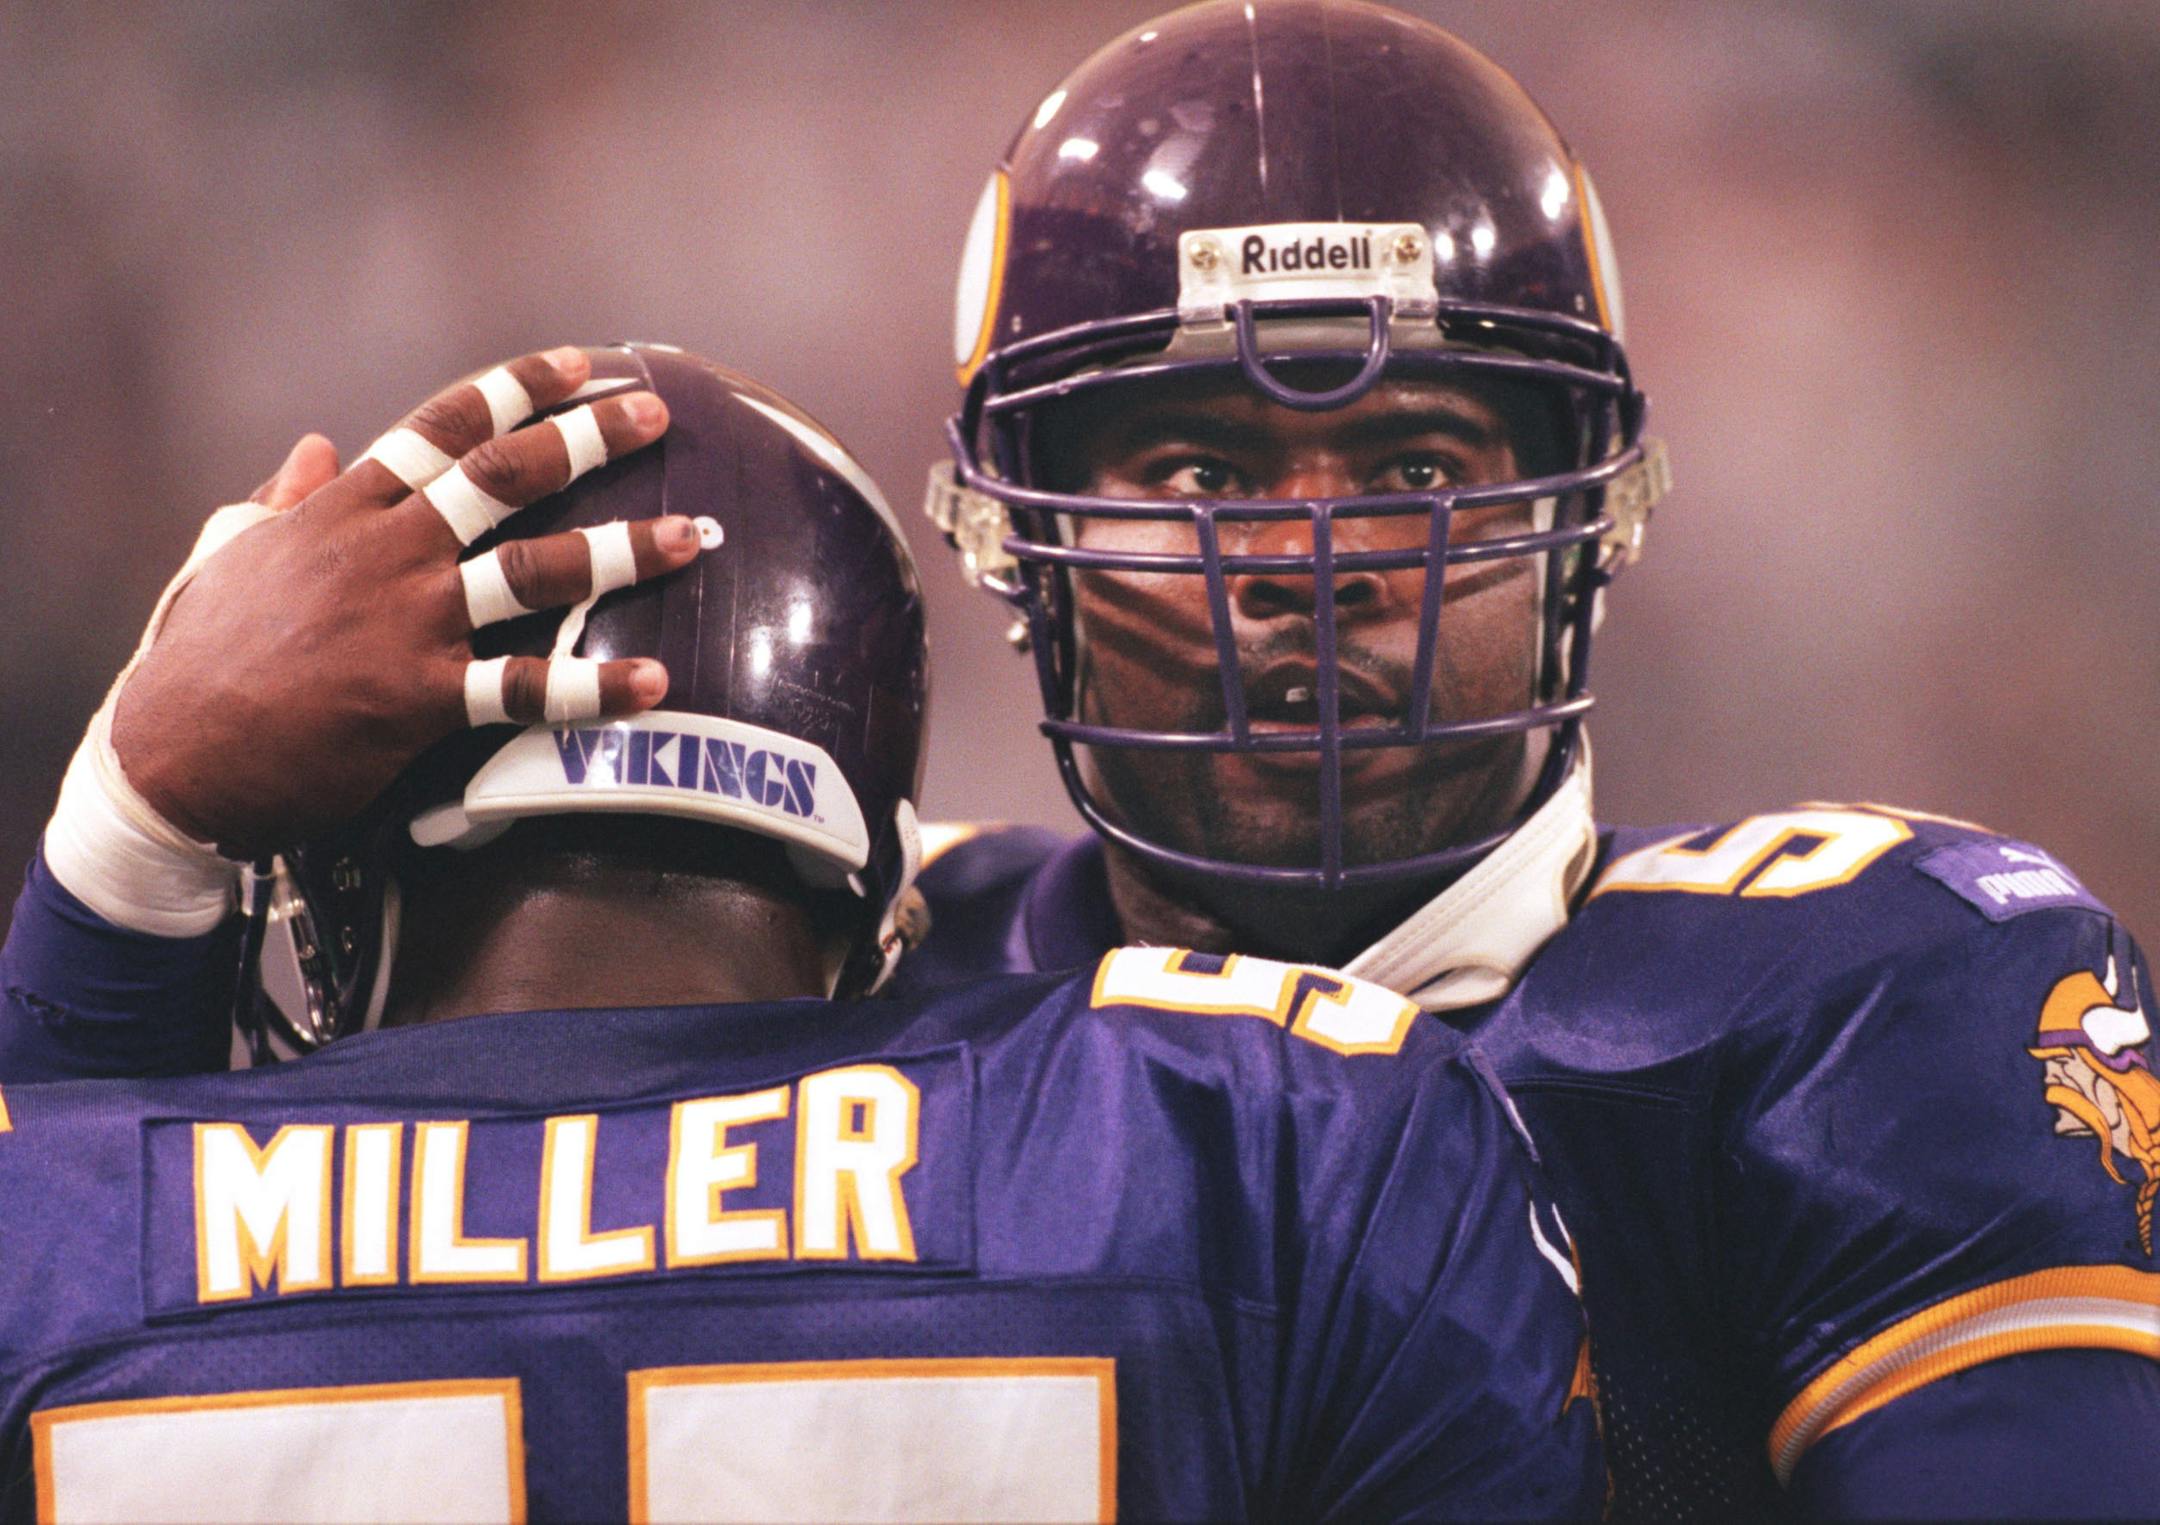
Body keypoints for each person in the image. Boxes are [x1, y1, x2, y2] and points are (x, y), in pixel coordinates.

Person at [907, 2, 2160, 1518]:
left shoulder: (1877, 997)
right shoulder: (872, 960)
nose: (1317, 560)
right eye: (1202, 471)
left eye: (1418, 467)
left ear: (1594, 519)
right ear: (1016, 542)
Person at [0, 344, 1600, 1520]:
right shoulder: (1265, 1134)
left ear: (339, 867)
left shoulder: (52, 1213)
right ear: (881, 884)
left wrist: (128, 831)